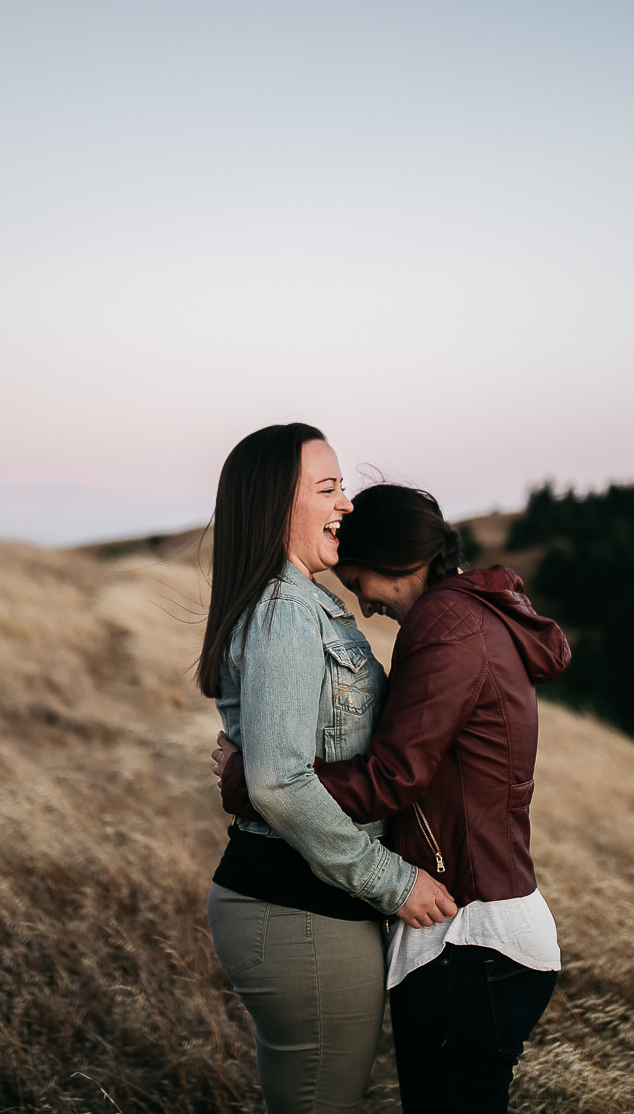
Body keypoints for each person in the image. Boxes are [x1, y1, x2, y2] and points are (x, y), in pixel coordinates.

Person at [217, 483, 570, 1113]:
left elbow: (392, 778)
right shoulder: (472, 615)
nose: (365, 605)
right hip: (477, 926)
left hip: (471, 936)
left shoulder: (447, 621)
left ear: (392, 560)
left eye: (358, 581)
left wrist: (255, 782)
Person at [199, 425, 456, 1114]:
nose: (347, 504)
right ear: (275, 506)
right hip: (298, 907)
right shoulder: (285, 611)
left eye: (341, 485)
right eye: (328, 488)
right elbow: (279, 782)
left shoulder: (304, 604)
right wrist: (393, 883)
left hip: (301, 903)